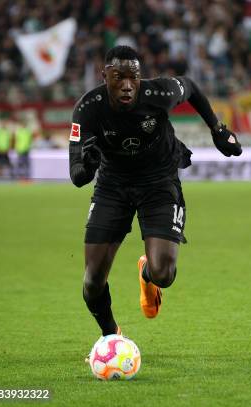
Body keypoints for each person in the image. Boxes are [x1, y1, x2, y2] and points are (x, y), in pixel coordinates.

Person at [69, 46, 242, 353]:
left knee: (164, 274)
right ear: (104, 76)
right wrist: (90, 165)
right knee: (92, 281)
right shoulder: (87, 109)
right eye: (118, 77)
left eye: (133, 77)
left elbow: (190, 86)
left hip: (159, 181)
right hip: (113, 186)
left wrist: (217, 130)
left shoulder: (159, 93)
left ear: (140, 77)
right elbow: (77, 175)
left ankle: (146, 272)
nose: (126, 85)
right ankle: (112, 337)